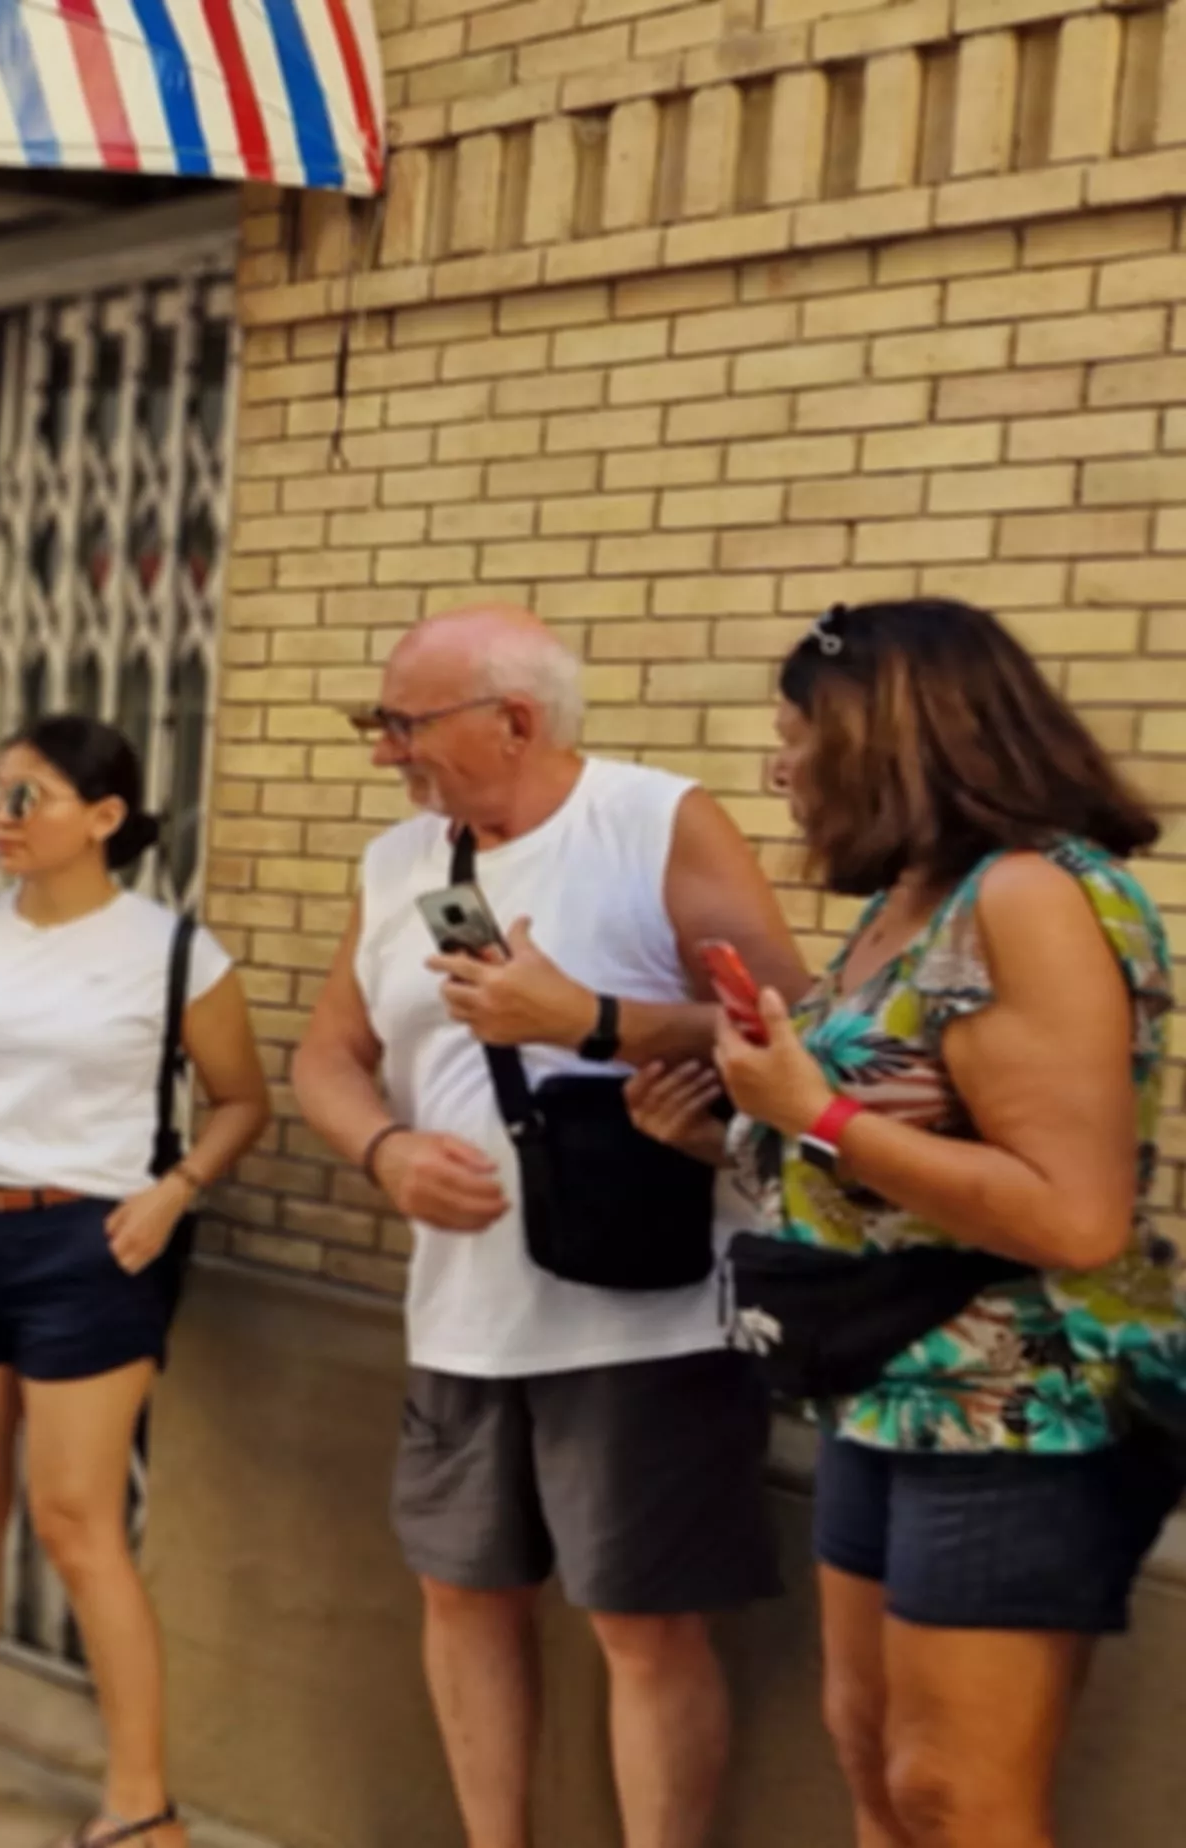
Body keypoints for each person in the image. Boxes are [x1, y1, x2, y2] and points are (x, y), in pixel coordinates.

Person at [626, 600, 1177, 1848]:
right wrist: (732, 1135)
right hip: (884, 1384)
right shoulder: (911, 902)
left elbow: (1076, 1216)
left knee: (957, 1797)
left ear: (885, 736)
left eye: (794, 734)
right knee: (873, 1762)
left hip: (1016, 1403)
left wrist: (809, 1110)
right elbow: (893, 1171)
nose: (779, 768)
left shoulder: (1028, 897)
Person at [288, 606, 807, 1848]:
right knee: (462, 1599)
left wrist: (585, 1017)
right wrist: (385, 1148)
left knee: (641, 1626)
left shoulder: (652, 820)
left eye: (401, 724)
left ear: (512, 720)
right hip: (460, 1315)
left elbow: (791, 1026)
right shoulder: (397, 862)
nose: (383, 753)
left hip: (643, 1312)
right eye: (378, 724)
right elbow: (326, 1057)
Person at [0, 717, 266, 1848]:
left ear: (104, 819)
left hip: (89, 1247)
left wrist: (176, 1190)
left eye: (31, 796)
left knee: (76, 1521)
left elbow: (241, 1102)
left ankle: (140, 1803)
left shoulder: (172, 952)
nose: (3, 817)